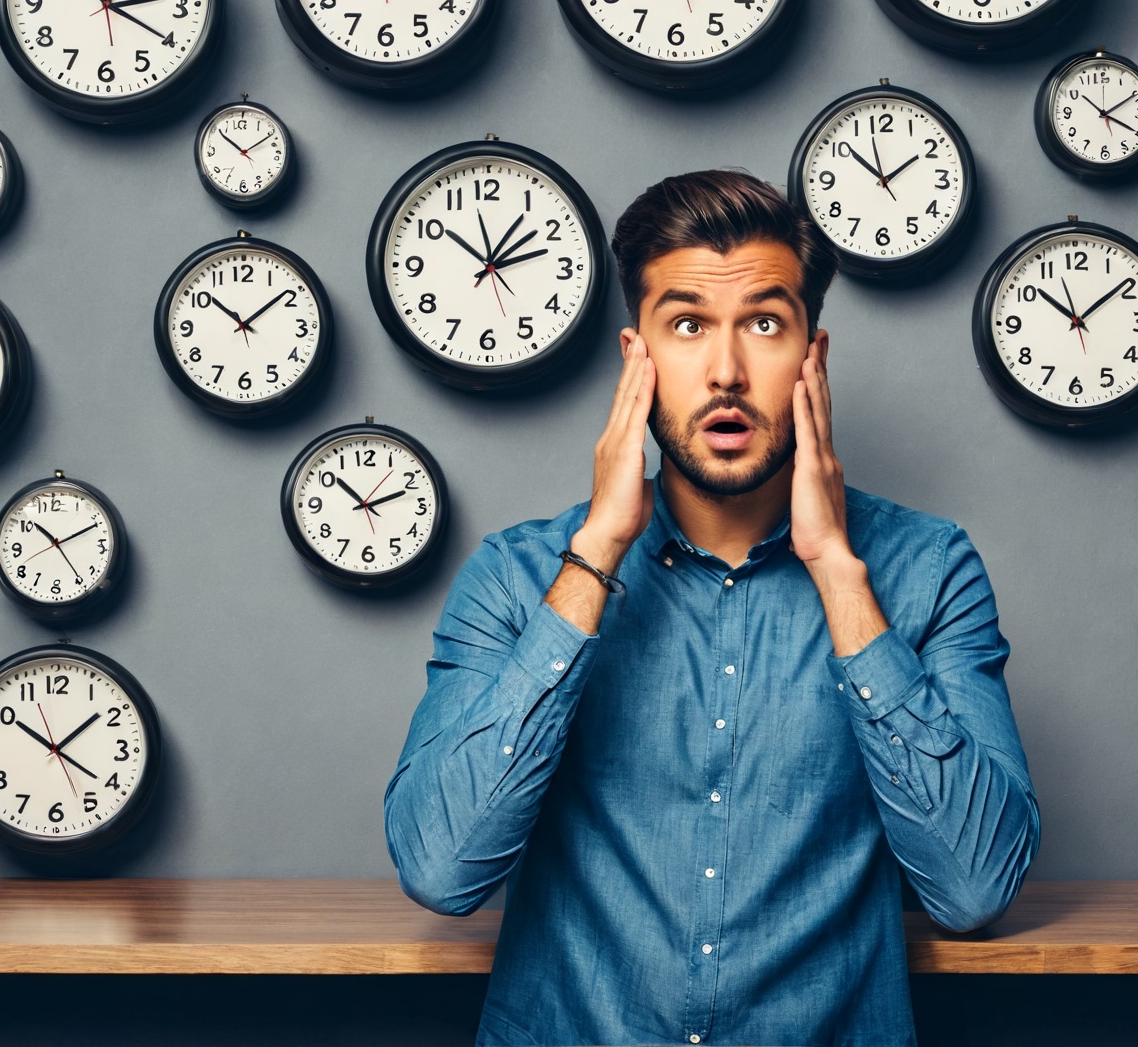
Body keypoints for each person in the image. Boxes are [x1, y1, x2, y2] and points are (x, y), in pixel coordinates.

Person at [384, 170, 1040, 1047]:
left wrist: (838, 574)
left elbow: (973, 889)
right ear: (637, 359)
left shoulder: (927, 569)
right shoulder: (517, 575)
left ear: (814, 355)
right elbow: (440, 868)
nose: (726, 371)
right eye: (688, 325)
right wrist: (595, 558)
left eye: (764, 324)